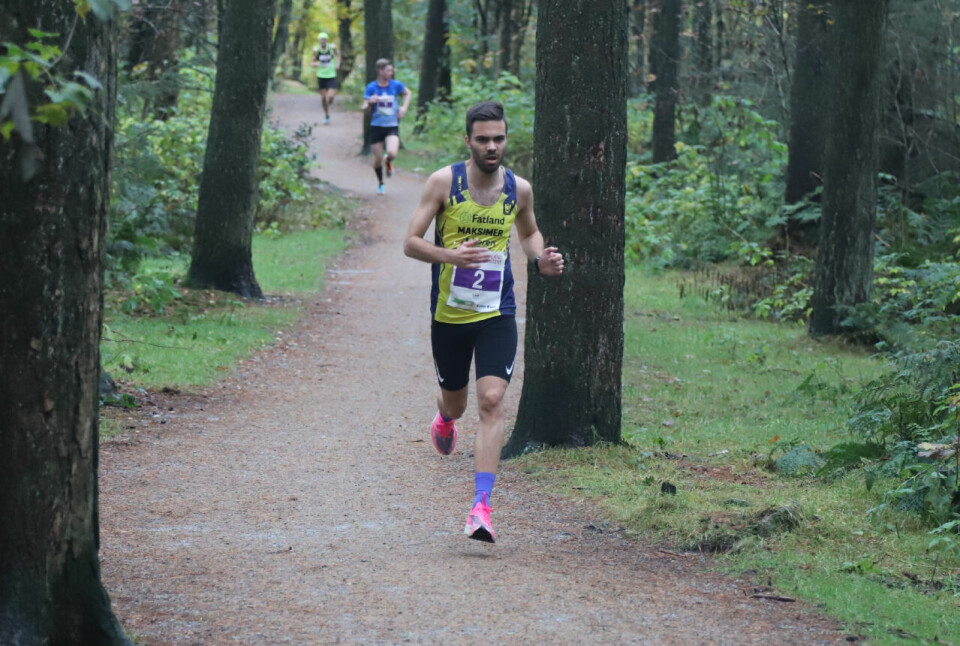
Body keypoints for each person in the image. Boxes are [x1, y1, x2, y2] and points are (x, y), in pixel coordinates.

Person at [402, 101, 564, 543]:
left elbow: (529, 233)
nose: (492, 147)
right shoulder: (444, 183)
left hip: (497, 312)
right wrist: (449, 255)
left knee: (491, 399)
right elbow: (410, 243)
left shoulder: (518, 189)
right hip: (450, 315)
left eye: (499, 139)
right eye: (483, 139)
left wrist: (540, 258)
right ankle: (444, 418)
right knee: (456, 403)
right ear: (468, 141)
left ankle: (481, 507)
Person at [363, 58, 411, 195]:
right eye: (389, 70)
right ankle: (381, 183)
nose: (391, 72)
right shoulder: (372, 87)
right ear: (381, 71)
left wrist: (404, 107)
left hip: (391, 126)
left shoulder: (396, 85)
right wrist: (370, 102)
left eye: (391, 70)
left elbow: (408, 93)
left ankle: (388, 161)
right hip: (376, 127)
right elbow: (364, 107)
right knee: (377, 160)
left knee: (392, 152)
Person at [311, 32, 340, 124]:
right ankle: (327, 115)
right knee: (323, 97)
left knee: (331, 96)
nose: (323, 41)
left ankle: (330, 102)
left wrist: (337, 64)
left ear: (326, 40)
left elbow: (338, 55)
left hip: (331, 75)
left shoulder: (332, 48)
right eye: (321, 39)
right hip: (321, 75)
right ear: (319, 41)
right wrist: (316, 64)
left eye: (324, 39)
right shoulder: (316, 50)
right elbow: (312, 62)